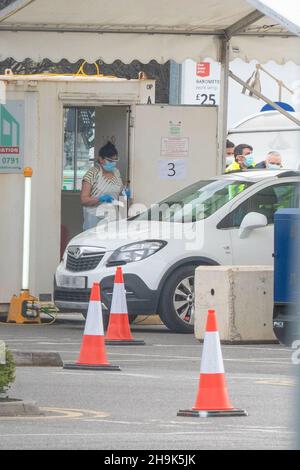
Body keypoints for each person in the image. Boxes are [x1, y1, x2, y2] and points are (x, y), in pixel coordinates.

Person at [80, 141, 125, 230]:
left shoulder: (116, 172)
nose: (113, 163)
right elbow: (83, 199)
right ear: (101, 159)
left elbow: (120, 194)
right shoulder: (92, 173)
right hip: (94, 220)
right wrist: (99, 199)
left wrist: (125, 194)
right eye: (110, 160)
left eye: (115, 160)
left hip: (112, 218)